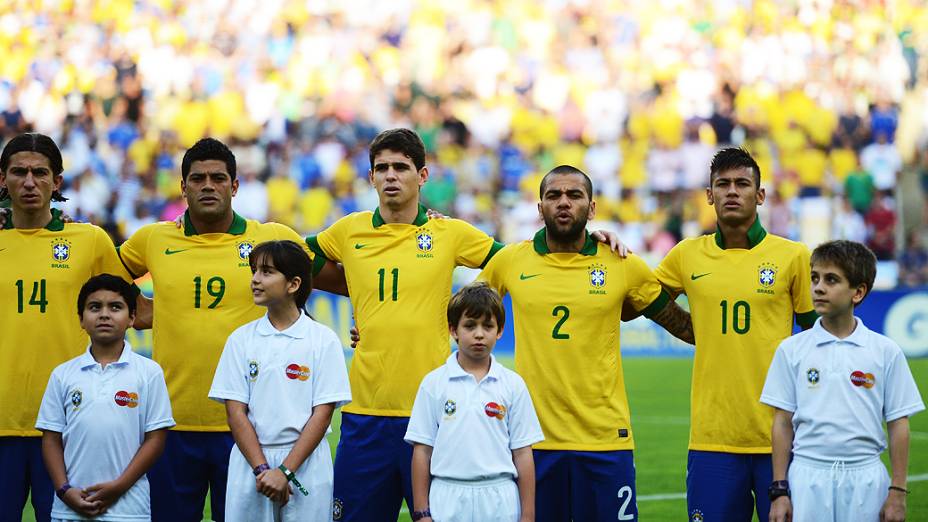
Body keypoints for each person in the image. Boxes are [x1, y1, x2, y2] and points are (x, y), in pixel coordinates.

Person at [311, 129, 623, 522]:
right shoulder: (347, 231)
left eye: (401, 168)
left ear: (422, 176)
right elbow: (294, 265)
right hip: (364, 413)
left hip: (438, 411)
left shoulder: (451, 233)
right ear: (371, 177)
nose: (391, 175)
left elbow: (522, 260)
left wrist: (586, 238)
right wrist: (358, 292)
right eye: (382, 168)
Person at [117, 137, 346, 521]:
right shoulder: (153, 239)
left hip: (247, 430)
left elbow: (345, 280)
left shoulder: (271, 239)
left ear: (235, 186)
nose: (208, 185)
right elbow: (100, 276)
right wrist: (140, 309)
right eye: (198, 178)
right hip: (172, 422)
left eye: (218, 178)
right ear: (183, 187)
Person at [479, 165, 694, 522]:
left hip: (606, 440)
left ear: (591, 209)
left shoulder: (622, 263)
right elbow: (460, 315)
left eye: (575, 195)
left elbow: (685, 327)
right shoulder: (509, 261)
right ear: (539, 208)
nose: (564, 203)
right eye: (554, 195)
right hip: (533, 441)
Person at [653, 147, 817, 522]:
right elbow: (637, 300)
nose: (731, 191)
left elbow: (816, 334)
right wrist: (693, 329)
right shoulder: (686, 255)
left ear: (760, 195)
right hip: (712, 438)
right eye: (722, 184)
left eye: (742, 184)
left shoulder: (793, 256)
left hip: (782, 435)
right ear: (709, 195)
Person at [0, 133, 135, 522]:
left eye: (40, 173)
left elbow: (136, 311)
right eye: (19, 172)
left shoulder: (90, 240)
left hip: (70, 422)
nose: (29, 182)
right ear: (3, 180)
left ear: (56, 182)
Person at [762, 240, 924, 522]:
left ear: (858, 292)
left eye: (831, 279)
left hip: (866, 477)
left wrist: (897, 491)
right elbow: (782, 421)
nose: (818, 287)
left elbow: (899, 424)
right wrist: (780, 490)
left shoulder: (885, 351)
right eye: (815, 278)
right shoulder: (791, 349)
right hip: (807, 476)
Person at [209, 240, 351, 521]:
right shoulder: (241, 339)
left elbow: (322, 416)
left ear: (293, 284)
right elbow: (235, 412)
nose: (255, 280)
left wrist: (285, 472)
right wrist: (263, 470)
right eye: (254, 271)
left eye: (266, 272)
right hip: (251, 464)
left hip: (306, 465)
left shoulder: (323, 340)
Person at [36, 274, 174, 521]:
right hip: (69, 508)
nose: (104, 314)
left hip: (129, 509)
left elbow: (155, 439)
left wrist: (119, 486)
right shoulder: (63, 374)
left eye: (115, 307)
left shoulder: (149, 372)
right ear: (81, 319)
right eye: (94, 307)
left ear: (132, 318)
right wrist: (65, 491)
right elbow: (51, 439)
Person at [405, 282, 544, 522]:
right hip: (447, 495)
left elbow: (522, 453)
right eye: (470, 326)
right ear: (453, 330)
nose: (479, 334)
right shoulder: (434, 383)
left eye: (487, 326)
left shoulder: (512, 384)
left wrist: (528, 515)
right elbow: (422, 450)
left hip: (500, 497)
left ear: (499, 331)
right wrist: (421, 512)